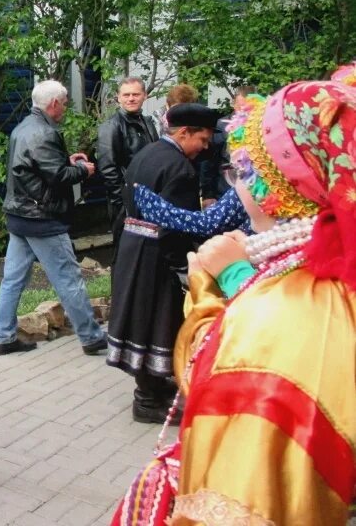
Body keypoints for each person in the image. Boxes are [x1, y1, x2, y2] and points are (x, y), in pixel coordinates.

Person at [111, 66, 356, 525]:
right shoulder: (328, 269)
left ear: (282, 184)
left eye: (248, 169)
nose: (238, 182)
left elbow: (243, 381)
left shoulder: (297, 300)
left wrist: (219, 280)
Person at [105, 103, 219, 424]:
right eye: (203, 139)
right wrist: (184, 269)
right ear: (184, 133)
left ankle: (155, 386)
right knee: (157, 320)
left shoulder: (148, 152)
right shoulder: (180, 168)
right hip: (156, 256)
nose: (205, 147)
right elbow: (175, 227)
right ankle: (146, 401)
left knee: (143, 319)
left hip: (134, 246)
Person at [0, 80, 107, 356]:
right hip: (42, 219)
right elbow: (56, 177)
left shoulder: (23, 128)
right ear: (53, 103)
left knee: (13, 280)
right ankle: (91, 337)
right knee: (69, 279)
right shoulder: (44, 133)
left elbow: (34, 168)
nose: (65, 108)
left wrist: (66, 160)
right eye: (65, 103)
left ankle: (3, 336)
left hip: (20, 217)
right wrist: (83, 170)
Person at [96, 76, 159, 246]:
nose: (131, 98)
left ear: (144, 96)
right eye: (126, 95)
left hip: (149, 197)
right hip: (126, 202)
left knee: (147, 250)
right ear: (118, 97)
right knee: (126, 251)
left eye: (135, 94)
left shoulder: (147, 123)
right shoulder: (112, 126)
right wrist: (123, 202)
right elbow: (107, 168)